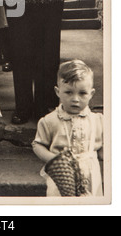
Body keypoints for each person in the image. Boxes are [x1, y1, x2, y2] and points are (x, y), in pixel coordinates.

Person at [32, 60, 104, 197]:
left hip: (90, 175)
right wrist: (54, 160)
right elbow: (37, 144)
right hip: (62, 176)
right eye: (68, 92)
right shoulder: (50, 120)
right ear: (58, 92)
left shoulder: (97, 120)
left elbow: (101, 149)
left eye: (82, 93)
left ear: (91, 94)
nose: (75, 99)